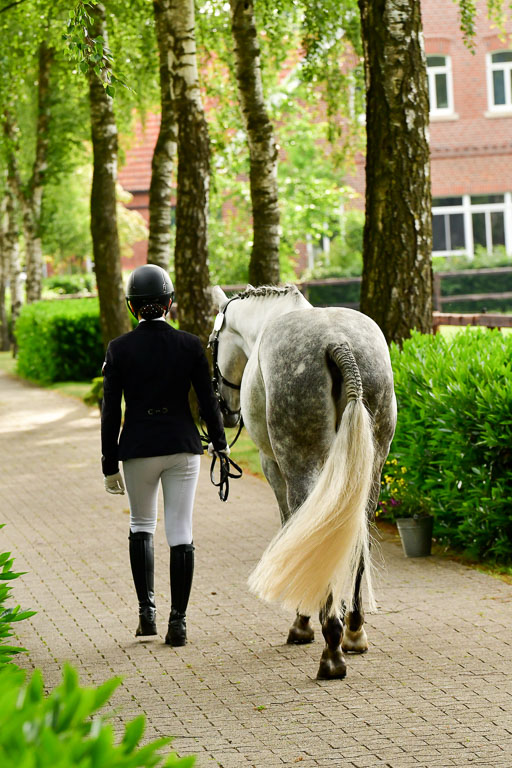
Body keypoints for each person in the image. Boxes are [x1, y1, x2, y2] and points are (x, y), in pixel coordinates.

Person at [101, 264, 228, 646]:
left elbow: (111, 411)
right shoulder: (189, 345)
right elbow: (207, 402)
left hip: (138, 448)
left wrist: (109, 463)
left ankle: (147, 615)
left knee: (141, 525)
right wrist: (220, 443)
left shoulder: (119, 349)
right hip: (181, 448)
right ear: (169, 303)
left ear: (131, 306)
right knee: (180, 530)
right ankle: (179, 623)